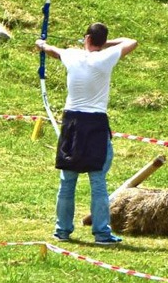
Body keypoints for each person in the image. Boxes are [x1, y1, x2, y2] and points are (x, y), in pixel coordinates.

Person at [36, 23, 137, 245]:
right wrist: (104, 44)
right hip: (95, 122)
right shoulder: (106, 57)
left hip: (72, 121)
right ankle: (101, 233)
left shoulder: (72, 55)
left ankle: (62, 231)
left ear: (87, 38)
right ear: (102, 41)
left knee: (67, 180)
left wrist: (42, 45)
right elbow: (131, 41)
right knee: (98, 180)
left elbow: (53, 51)